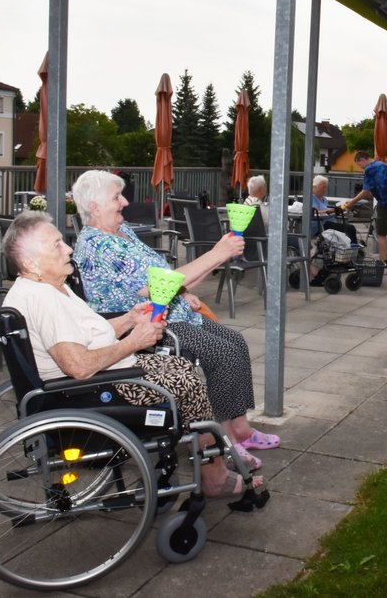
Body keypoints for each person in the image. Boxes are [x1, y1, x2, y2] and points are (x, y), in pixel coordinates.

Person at [1, 211, 264, 497]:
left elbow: (86, 336)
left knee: (180, 367)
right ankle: (213, 475)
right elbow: (78, 365)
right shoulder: (45, 299)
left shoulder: (46, 288)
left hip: (95, 380)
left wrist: (128, 320)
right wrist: (134, 342)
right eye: (56, 245)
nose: (68, 248)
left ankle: (210, 457)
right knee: (188, 385)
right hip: (94, 389)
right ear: (30, 262)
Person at [70, 171, 280, 467]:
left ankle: (240, 429)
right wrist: (217, 254)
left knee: (235, 342)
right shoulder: (100, 245)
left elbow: (168, 281)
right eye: (117, 197)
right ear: (94, 207)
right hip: (147, 324)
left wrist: (195, 280)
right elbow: (156, 286)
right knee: (221, 353)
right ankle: (223, 439)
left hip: (171, 311)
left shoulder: (121, 231)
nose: (125, 202)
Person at [343, 151, 387, 274]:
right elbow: (383, 184)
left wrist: (352, 202)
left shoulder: (369, 169)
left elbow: (365, 191)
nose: (361, 167)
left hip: (386, 202)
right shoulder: (384, 165)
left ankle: (383, 264)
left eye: (359, 164)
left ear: (362, 160)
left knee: (381, 233)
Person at [310, 175, 358, 244]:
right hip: (320, 225)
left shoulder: (324, 199)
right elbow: (315, 212)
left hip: (329, 223)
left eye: (325, 188)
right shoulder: (312, 197)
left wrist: (341, 209)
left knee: (348, 228)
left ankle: (351, 248)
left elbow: (329, 211)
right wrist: (332, 210)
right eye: (323, 187)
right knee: (350, 228)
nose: (324, 190)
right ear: (315, 186)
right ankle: (353, 249)